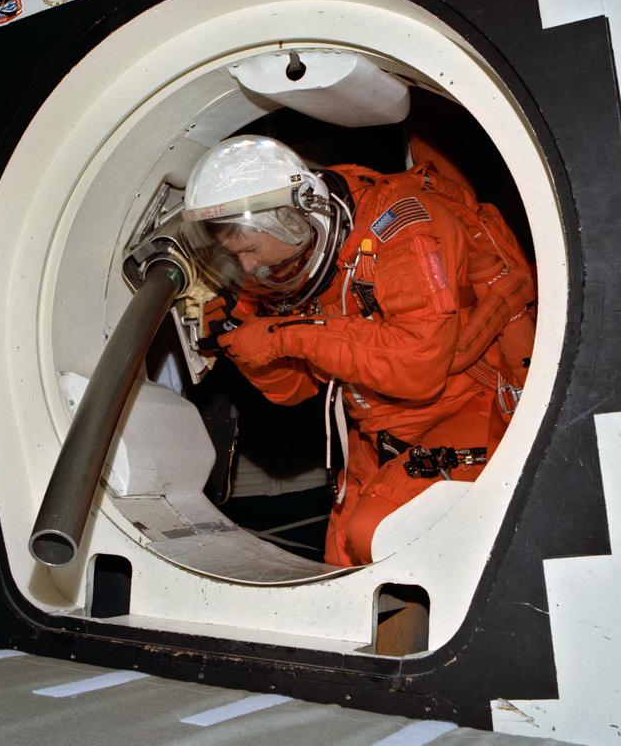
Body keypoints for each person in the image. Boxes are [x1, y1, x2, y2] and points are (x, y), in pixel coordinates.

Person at [179, 134, 534, 568]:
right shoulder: (302, 261)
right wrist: (245, 342)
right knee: (342, 559)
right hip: (378, 430)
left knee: (376, 533)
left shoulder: (407, 229)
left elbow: (418, 368)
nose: (249, 266)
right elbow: (295, 389)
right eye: (235, 255)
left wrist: (285, 335)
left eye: (250, 250)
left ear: (291, 219)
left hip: (469, 412)